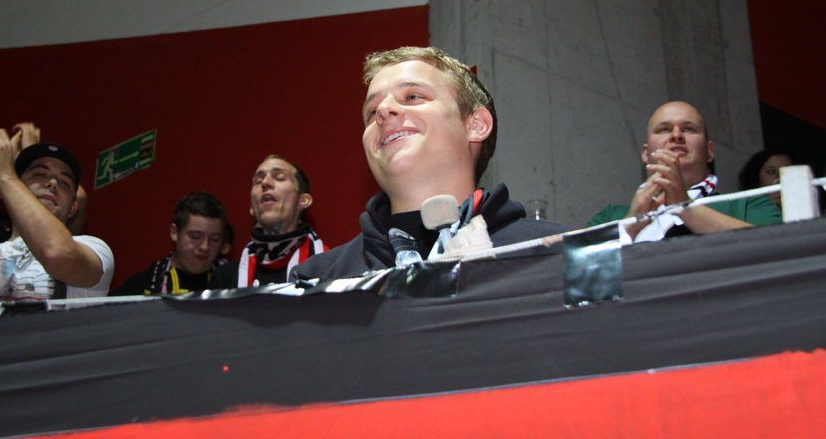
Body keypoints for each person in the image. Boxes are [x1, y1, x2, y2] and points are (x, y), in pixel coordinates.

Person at [292, 46, 568, 282]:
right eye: (372, 112)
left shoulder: (562, 258)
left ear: (476, 125)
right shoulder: (313, 282)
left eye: (413, 96)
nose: (383, 111)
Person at [587, 101, 782, 240]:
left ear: (709, 151)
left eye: (689, 129)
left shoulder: (748, 204)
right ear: (645, 153)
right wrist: (631, 224)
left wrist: (684, 207)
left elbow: (776, 249)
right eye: (664, 129)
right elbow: (576, 269)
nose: (676, 135)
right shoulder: (610, 216)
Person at [0, 129, 113, 302]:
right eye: (39, 174)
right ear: (14, 191)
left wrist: (5, 175)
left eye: (64, 183)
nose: (52, 183)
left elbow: (58, 254)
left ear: (73, 208)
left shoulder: (96, 250)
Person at [212, 155, 328, 288]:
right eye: (258, 181)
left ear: (303, 201)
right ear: (252, 207)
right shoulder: (224, 279)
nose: (265, 182)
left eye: (280, 177)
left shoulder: (331, 269)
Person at [113, 192, 230, 295]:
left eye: (214, 239)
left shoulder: (231, 284)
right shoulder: (138, 289)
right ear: (174, 232)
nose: (205, 246)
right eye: (196, 236)